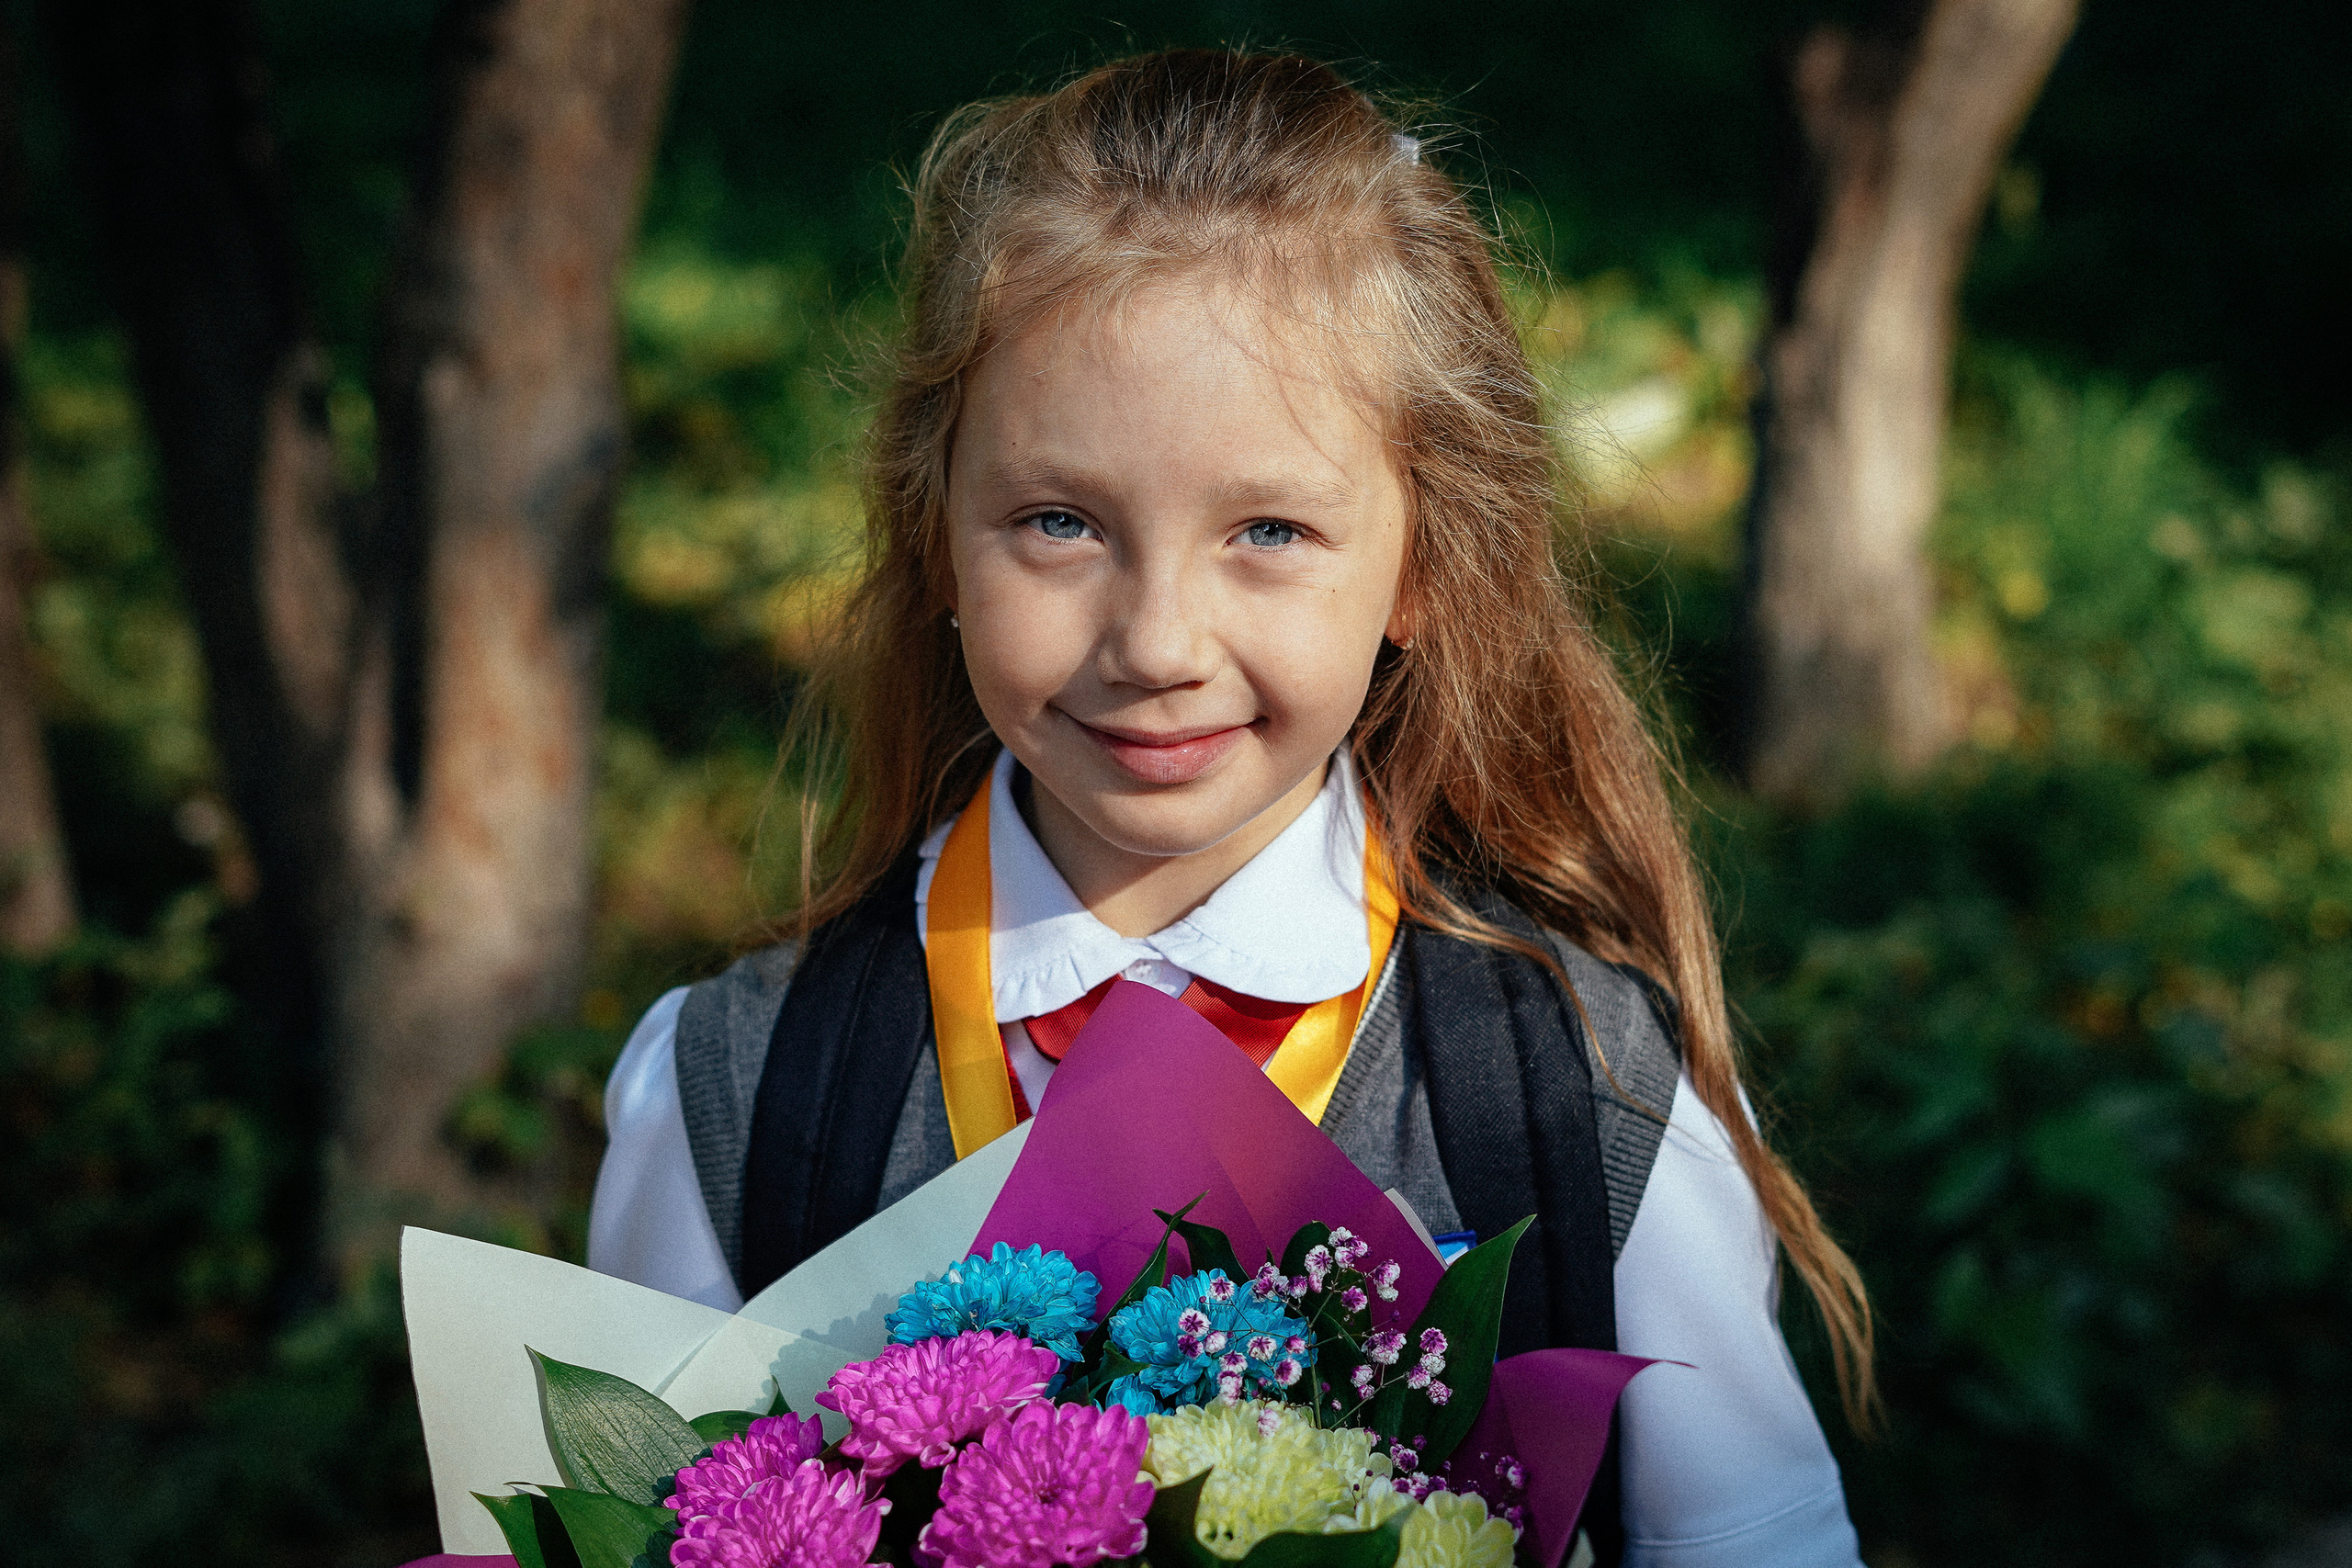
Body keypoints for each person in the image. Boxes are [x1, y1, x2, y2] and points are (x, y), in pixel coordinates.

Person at [587, 50, 1872, 1567]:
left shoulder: (1568, 1095)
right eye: (1059, 523)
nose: (1158, 644)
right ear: (935, 536)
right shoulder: (744, 1092)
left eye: (1269, 530)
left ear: (1427, 567)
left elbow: (1756, 1540)